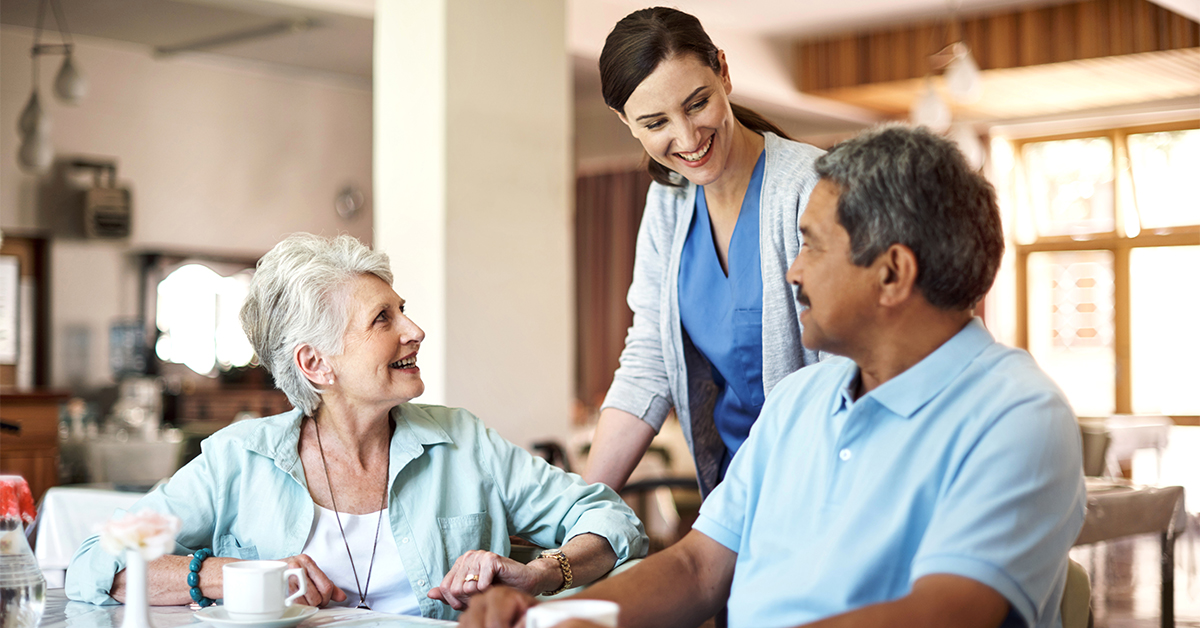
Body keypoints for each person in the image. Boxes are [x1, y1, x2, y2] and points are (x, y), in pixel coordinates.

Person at [460, 125, 1088, 628]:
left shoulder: (1017, 414)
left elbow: (944, 614)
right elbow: (698, 569)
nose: (791, 272)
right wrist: (551, 617)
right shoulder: (799, 401)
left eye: (810, 245)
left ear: (892, 273)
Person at [66, 234, 647, 620]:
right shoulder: (238, 459)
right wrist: (232, 575)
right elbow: (98, 562)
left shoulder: (464, 442)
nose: (414, 329)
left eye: (403, 309)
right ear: (316, 364)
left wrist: (540, 573)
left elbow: (613, 520)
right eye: (382, 320)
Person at [585, 7, 826, 496]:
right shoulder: (669, 201)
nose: (689, 139)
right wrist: (580, 505)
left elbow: (848, 365)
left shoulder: (812, 187)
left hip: (816, 479)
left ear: (724, 71)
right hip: (732, 488)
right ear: (625, 121)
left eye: (697, 104)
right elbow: (649, 357)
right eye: (656, 122)